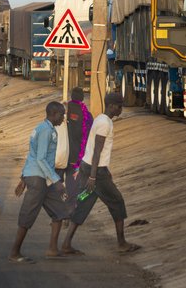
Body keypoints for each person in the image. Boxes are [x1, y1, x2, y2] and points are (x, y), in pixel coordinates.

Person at [61, 92, 141, 255]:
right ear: (112, 106)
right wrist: (93, 176)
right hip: (95, 172)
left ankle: (66, 242)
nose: (121, 109)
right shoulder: (105, 123)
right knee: (117, 202)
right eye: (120, 106)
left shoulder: (100, 119)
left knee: (84, 203)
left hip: (90, 167)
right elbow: (97, 150)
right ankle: (121, 243)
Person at [9, 102, 70, 264]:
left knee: (59, 210)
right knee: (28, 216)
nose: (64, 118)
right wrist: (57, 180)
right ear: (54, 113)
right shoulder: (46, 131)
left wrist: (23, 178)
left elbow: (32, 155)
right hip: (39, 179)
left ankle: (52, 249)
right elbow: (40, 158)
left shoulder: (43, 128)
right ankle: (15, 252)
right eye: (62, 114)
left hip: (41, 177)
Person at [63, 87, 93, 209]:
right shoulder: (86, 114)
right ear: (82, 98)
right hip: (77, 154)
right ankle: (71, 206)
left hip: (62, 152)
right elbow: (90, 134)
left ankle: (62, 207)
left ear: (71, 96)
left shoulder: (64, 109)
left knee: (62, 180)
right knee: (73, 180)